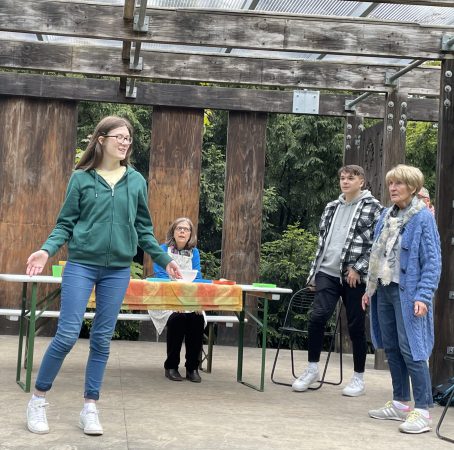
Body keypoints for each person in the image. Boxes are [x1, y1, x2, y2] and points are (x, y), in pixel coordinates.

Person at [25, 116, 181, 436]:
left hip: (118, 270)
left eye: (129, 139)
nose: (125, 143)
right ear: (101, 139)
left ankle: (90, 407)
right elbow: (65, 224)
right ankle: (38, 399)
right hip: (81, 264)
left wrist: (165, 259)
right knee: (68, 334)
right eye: (119, 137)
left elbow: (144, 230)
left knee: (101, 338)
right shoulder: (81, 179)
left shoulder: (136, 180)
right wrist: (46, 250)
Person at [363, 164, 441, 434]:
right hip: (383, 288)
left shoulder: (423, 218)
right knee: (392, 348)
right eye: (390, 184)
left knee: (413, 350)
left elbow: (432, 262)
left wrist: (424, 296)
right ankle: (400, 403)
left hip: (408, 293)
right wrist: (369, 288)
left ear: (413, 187)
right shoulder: (386, 215)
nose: (392, 188)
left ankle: (422, 410)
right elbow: (377, 255)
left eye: (398, 184)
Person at [292, 165, 382, 397]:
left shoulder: (374, 208)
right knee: (318, 316)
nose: (345, 181)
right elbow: (322, 243)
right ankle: (312, 369)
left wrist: (358, 268)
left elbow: (377, 244)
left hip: (354, 276)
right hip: (327, 272)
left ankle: (358, 378)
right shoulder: (331, 207)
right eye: (342, 178)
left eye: (350, 178)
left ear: (362, 181)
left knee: (355, 325)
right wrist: (314, 274)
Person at [151, 217, 205, 383]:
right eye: (179, 228)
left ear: (190, 234)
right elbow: (161, 276)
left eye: (186, 229)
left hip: (188, 298)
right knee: (177, 318)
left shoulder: (194, 252)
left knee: (197, 318)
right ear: (173, 232)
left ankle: (192, 368)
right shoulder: (162, 249)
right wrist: (176, 303)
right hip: (164, 297)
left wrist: (192, 302)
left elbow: (198, 277)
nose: (182, 231)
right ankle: (171, 366)